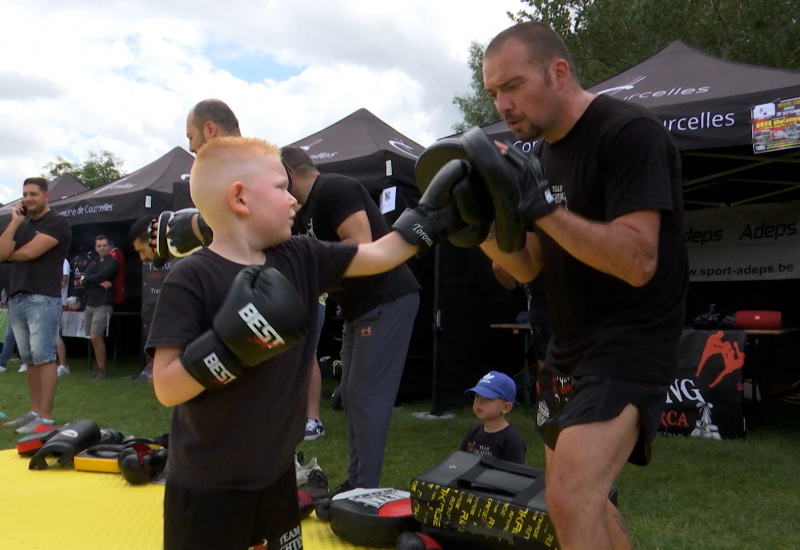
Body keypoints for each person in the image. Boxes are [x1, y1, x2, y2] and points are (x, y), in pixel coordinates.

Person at [145, 136, 452, 550]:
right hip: (208, 483)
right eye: (280, 188)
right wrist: (232, 345)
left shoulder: (300, 255)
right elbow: (166, 386)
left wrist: (436, 211)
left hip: (276, 475)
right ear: (240, 198)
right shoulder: (191, 278)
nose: (294, 201)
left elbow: (380, 255)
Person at [478, 22, 688, 549]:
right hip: (564, 346)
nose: (503, 104)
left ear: (559, 72)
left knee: (572, 497)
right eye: (493, 92)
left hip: (629, 341)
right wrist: (475, 229)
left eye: (514, 86)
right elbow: (527, 268)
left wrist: (544, 208)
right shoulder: (540, 156)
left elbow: (638, 259)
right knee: (572, 502)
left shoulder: (628, 132)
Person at [281, 145, 420, 490]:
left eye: (274, 177)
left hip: (388, 297)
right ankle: (356, 482)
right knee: (350, 392)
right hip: (358, 308)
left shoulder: (333, 188)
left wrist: (313, 278)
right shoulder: (302, 211)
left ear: (288, 172)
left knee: (363, 393)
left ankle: (364, 487)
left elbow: (360, 244)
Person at [0, 177, 71, 434]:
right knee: (29, 359)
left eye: (33, 194)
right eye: (25, 194)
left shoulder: (57, 222)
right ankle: (33, 412)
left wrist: (11, 252)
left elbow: (29, 253)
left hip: (42, 296)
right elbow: (1, 252)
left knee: (44, 358)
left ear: (46, 196)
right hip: (18, 297)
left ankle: (45, 419)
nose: (28, 199)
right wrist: (15, 222)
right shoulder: (22, 223)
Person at [460, 370, 527, 464]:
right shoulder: (472, 433)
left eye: (488, 398)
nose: (480, 402)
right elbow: (460, 463)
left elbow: (514, 476)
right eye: (477, 396)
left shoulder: (513, 441)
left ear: (506, 407)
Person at [81, 235, 119, 379]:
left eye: (104, 245)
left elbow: (101, 275)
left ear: (109, 247)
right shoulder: (92, 264)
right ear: (95, 248)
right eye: (99, 246)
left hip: (103, 303)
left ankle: (103, 369)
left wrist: (89, 279)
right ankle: (98, 367)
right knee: (92, 337)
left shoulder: (113, 262)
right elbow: (84, 280)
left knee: (96, 335)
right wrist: (96, 281)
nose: (102, 248)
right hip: (90, 302)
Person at [56, 257, 70, 376]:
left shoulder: (63, 261)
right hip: (47, 300)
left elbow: (63, 281)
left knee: (54, 333)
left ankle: (63, 365)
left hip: (56, 300)